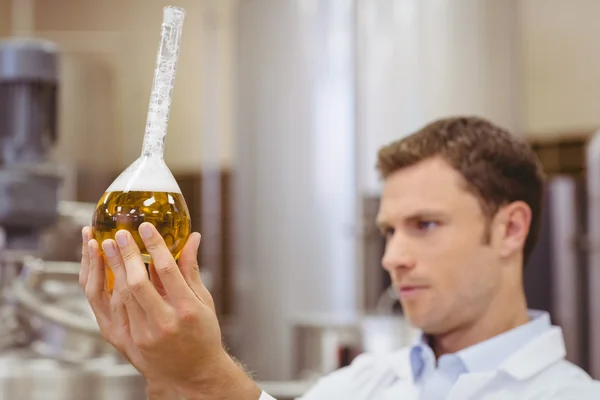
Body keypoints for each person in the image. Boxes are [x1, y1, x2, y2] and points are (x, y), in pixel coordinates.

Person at [79, 116, 600, 400]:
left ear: (510, 228)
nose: (394, 257)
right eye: (388, 232)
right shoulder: (362, 383)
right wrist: (167, 375)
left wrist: (207, 377)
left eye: (425, 225)